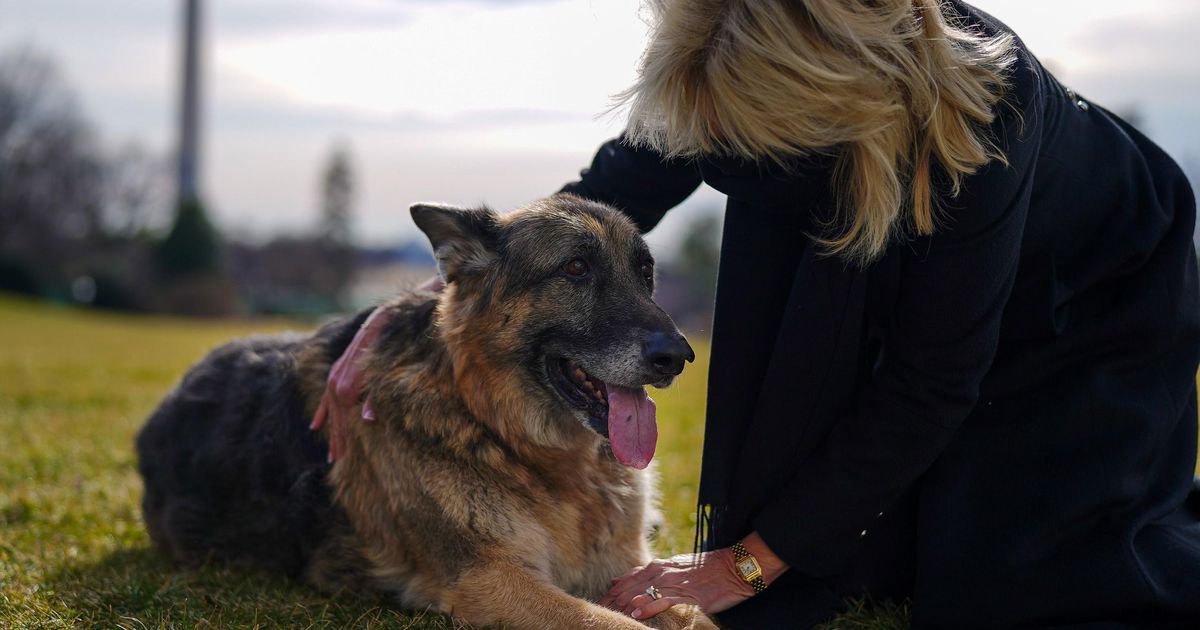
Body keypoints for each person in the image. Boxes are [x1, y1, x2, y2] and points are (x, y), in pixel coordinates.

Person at [314, 1, 1200, 627]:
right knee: (857, 563)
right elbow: (601, 196)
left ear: (824, 105)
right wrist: (426, 305)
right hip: (906, 241)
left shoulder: (983, 120)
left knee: (1016, 585)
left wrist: (744, 565)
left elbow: (933, 377)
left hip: (1092, 286)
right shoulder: (720, 45)